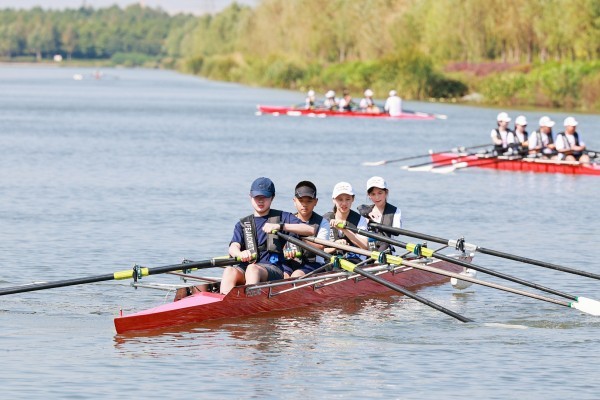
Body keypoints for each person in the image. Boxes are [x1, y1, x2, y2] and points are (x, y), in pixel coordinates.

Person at [220, 177, 315, 295]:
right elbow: (233, 246)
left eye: (264, 197)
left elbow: (310, 230)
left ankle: (249, 302)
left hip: (273, 269)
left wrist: (280, 226)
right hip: (247, 267)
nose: (260, 201)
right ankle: (223, 305)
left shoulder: (283, 217)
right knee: (229, 270)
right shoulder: (243, 224)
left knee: (252, 269)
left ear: (272, 198)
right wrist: (239, 254)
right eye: (257, 197)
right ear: (250, 197)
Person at [283, 181, 330, 278]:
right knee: (283, 276)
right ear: (294, 201)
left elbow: (320, 247)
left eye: (309, 201)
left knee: (296, 275)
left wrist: (300, 238)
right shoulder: (287, 219)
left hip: (314, 264)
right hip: (290, 261)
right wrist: (286, 251)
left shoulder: (323, 223)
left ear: (316, 202)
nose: (304, 204)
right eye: (301, 201)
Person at [323, 182, 369, 262]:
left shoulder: (360, 219)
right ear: (333, 200)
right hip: (332, 259)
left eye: (348, 199)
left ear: (353, 199)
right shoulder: (325, 219)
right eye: (340, 199)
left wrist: (345, 230)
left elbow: (365, 246)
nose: (344, 203)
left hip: (354, 259)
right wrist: (335, 246)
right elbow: (318, 250)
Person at [357, 176, 402, 253]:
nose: (377, 197)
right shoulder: (365, 211)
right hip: (367, 250)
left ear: (386, 192)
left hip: (386, 251)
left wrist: (373, 222)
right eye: (373, 194)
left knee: (385, 244)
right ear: (369, 195)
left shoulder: (395, 211)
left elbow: (396, 232)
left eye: (380, 193)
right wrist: (367, 216)